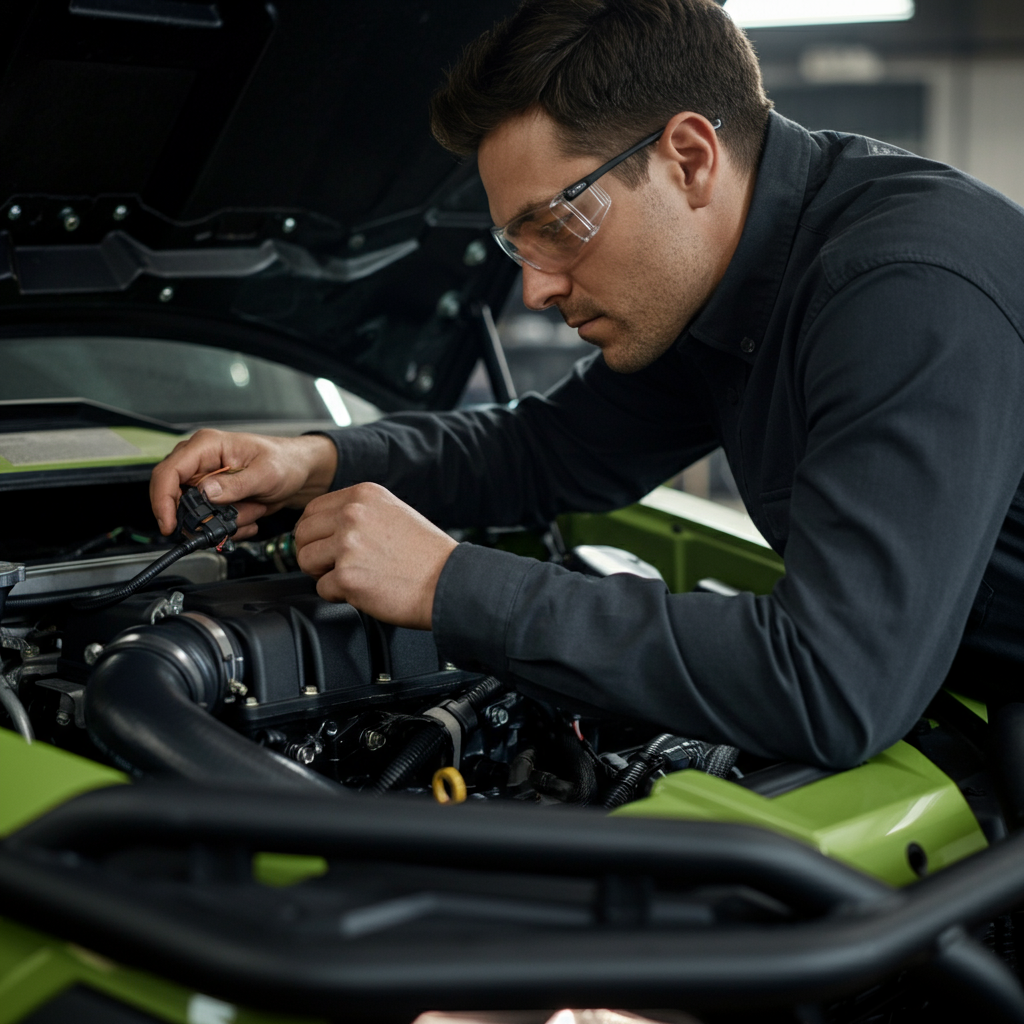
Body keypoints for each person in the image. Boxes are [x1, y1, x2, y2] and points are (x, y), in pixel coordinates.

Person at [150, 0, 1024, 770]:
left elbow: (832, 686)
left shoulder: (902, 289)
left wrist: (452, 586)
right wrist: (315, 460)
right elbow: (548, 449)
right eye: (515, 247)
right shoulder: (722, 281)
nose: (535, 288)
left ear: (688, 157)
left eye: (557, 225)